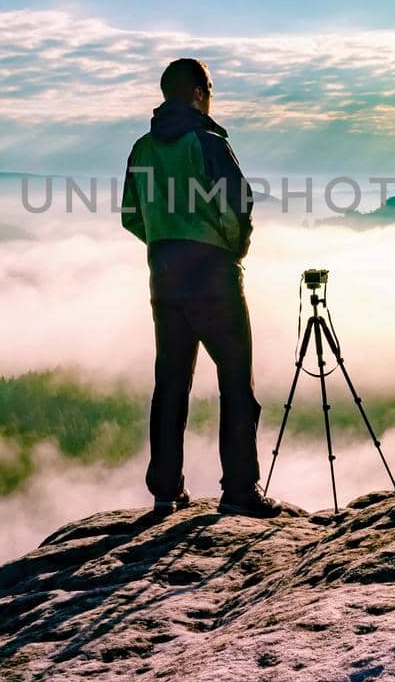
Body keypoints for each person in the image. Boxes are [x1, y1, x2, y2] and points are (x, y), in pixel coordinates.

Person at [121, 58, 285, 518]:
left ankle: (165, 491)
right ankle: (239, 490)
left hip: (164, 274)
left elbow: (131, 215)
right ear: (197, 92)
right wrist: (231, 249)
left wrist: (164, 241)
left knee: (170, 382)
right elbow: (238, 205)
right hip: (213, 274)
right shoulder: (208, 143)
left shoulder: (141, 149)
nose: (211, 95)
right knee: (235, 381)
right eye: (209, 88)